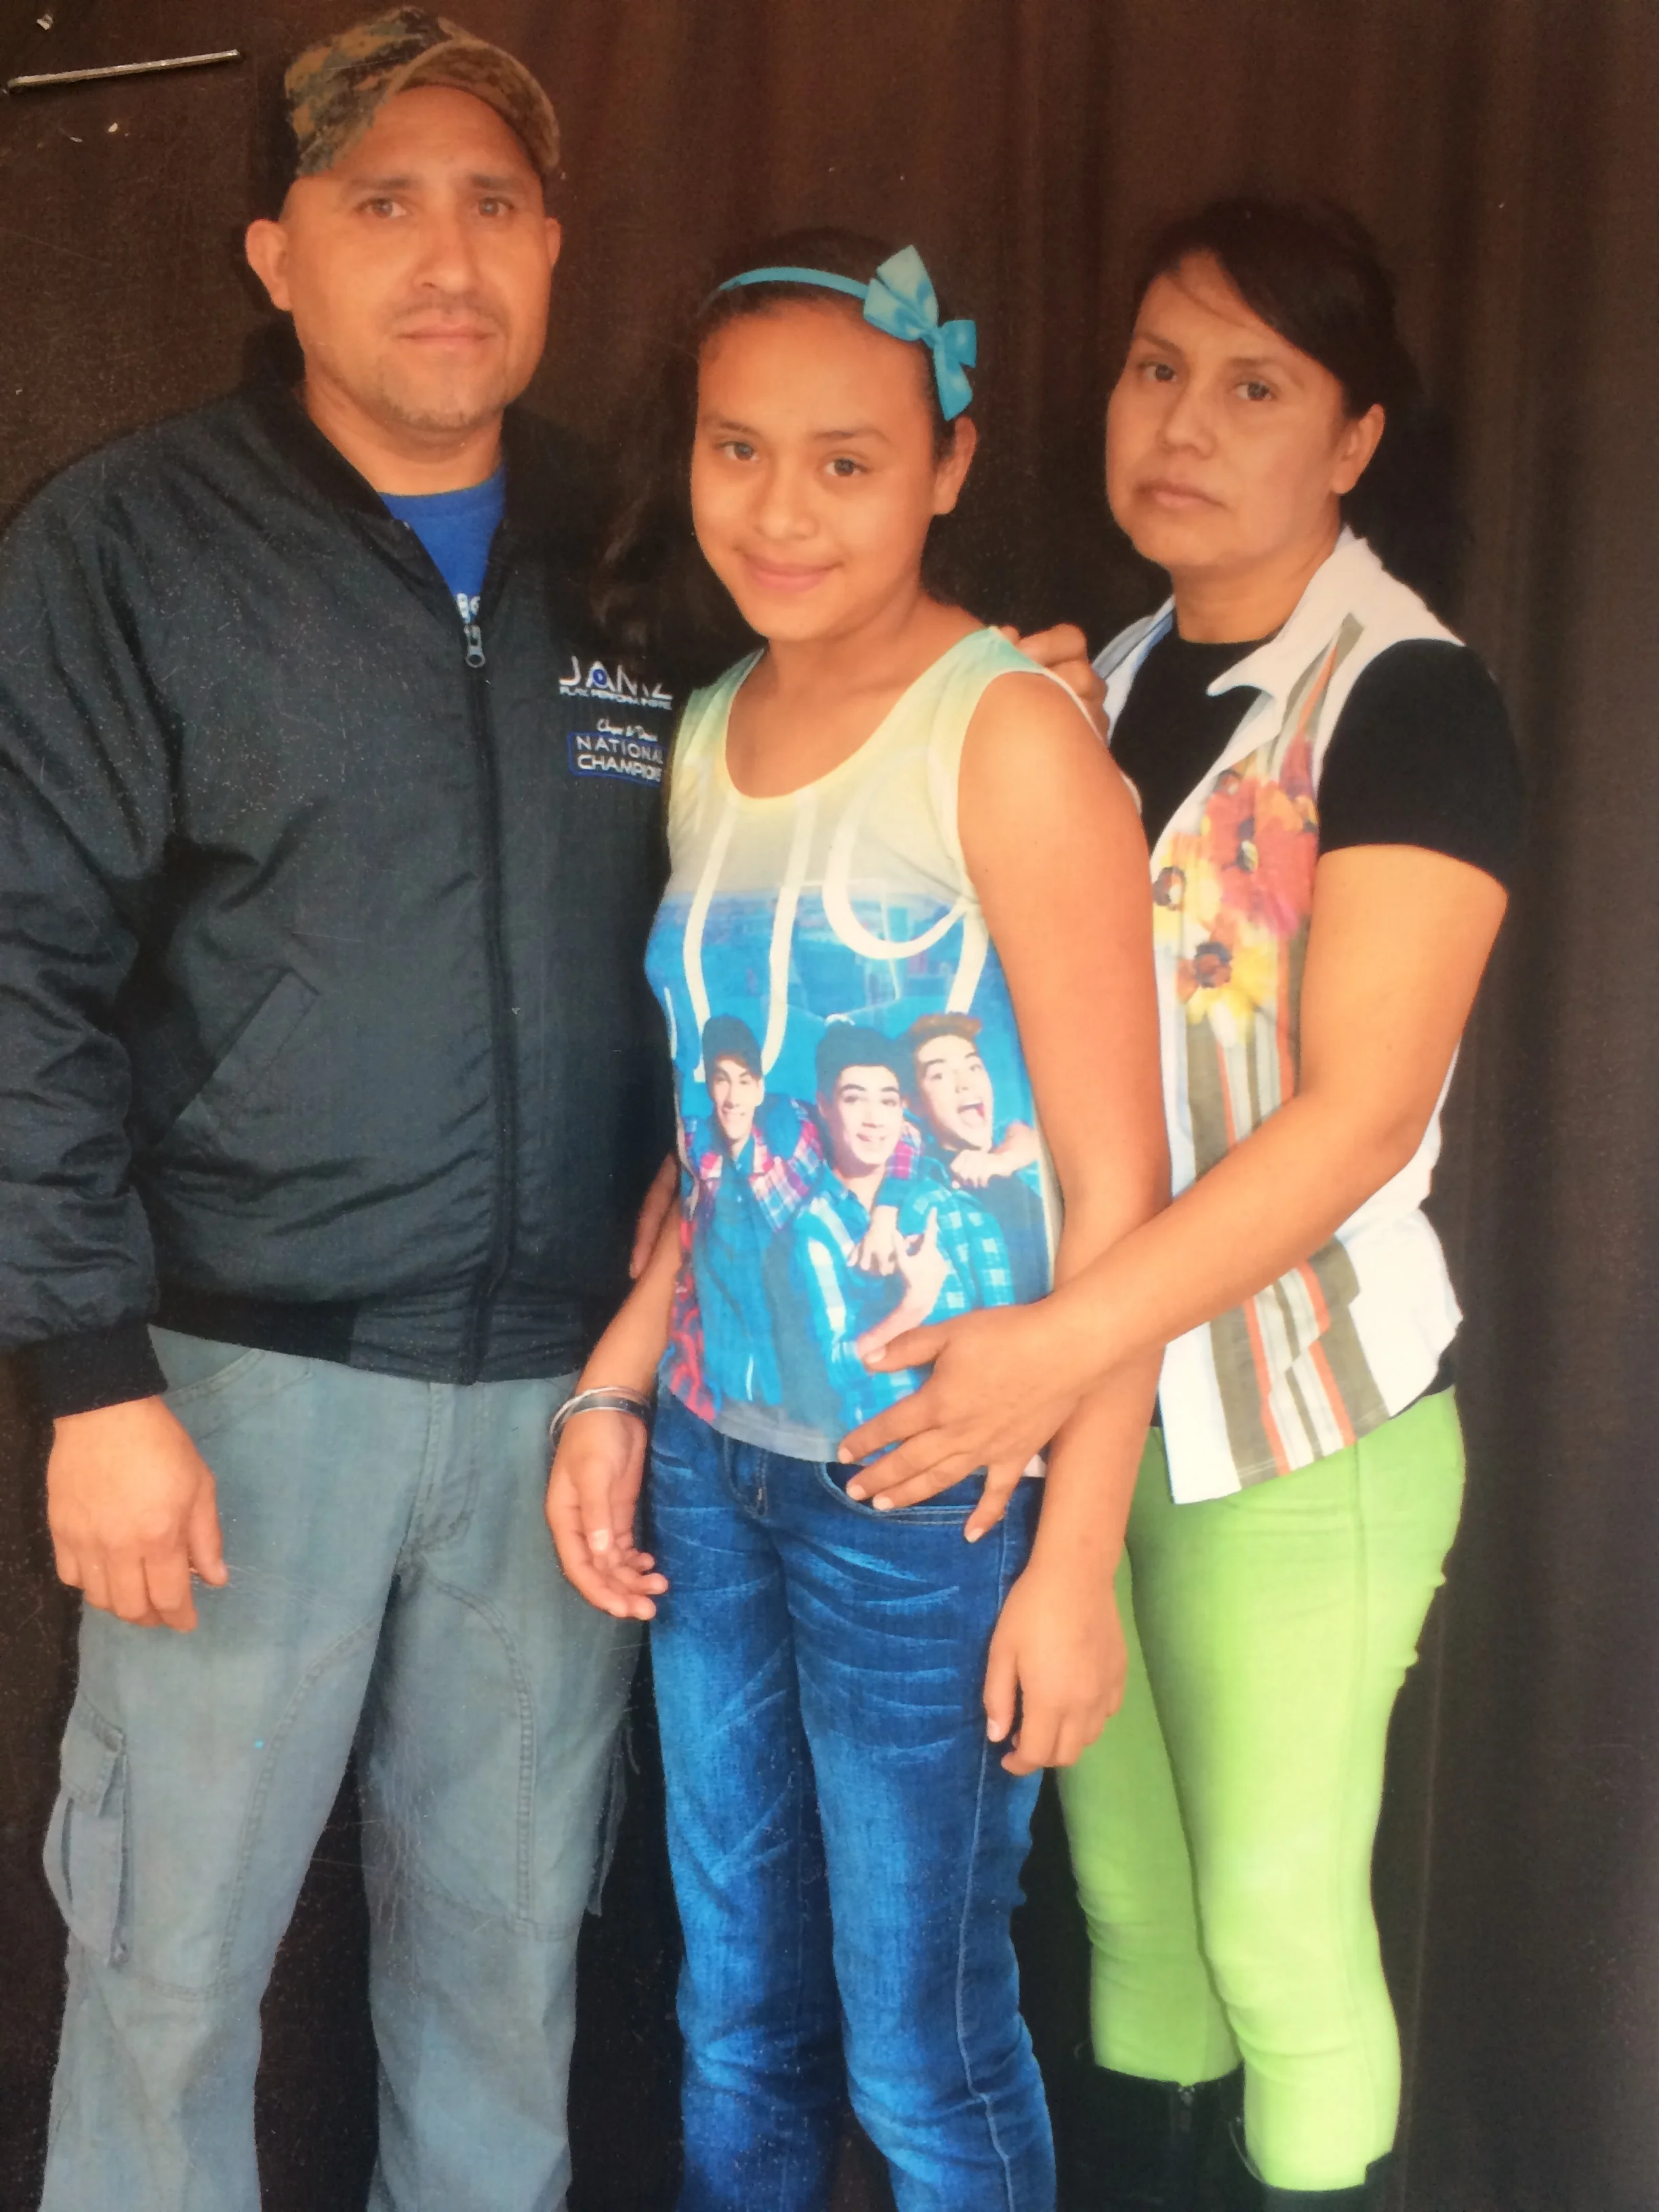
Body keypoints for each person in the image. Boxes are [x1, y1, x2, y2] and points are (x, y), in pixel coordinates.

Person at [0, 16, 675, 2207]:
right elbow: (21, 972)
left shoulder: (651, 547)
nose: (444, 255)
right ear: (275, 253)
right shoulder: (128, 545)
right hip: (234, 1396)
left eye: (492, 203)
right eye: (381, 202)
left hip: (562, 1416)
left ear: (552, 249)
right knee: (169, 1980)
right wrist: (90, 1377)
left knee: (505, 1992)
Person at [837, 199, 1522, 2212]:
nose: (1185, 422)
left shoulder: (1406, 699)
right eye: (1157, 368)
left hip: (1300, 1424)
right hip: (1093, 1420)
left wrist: (1056, 1341)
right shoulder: (1080, 685)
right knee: (1130, 1916)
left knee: (1275, 1927)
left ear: (1353, 437)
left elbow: (1357, 1120)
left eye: (1254, 385)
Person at [546, 230, 1167, 2211]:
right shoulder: (705, 735)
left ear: (947, 463)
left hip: (930, 1497)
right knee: (735, 2012)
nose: (780, 510)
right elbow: (728, 1144)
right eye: (737, 450)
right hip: (714, 1468)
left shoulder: (1007, 734)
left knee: (923, 2043)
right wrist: (615, 1386)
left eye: (845, 460)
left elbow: (1122, 1192)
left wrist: (1074, 1563)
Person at [775, 1023, 1019, 1437]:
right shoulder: (816, 1223)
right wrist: (914, 1306)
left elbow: (1009, 1343)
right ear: (826, 1106)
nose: (874, 1119)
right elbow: (833, 1370)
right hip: (877, 1450)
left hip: (973, 1441)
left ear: (903, 1109)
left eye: (887, 1101)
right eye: (855, 1099)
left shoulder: (945, 1200)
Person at [903, 1011, 1049, 1299]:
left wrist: (1002, 1161)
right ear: (915, 1103)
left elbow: (1022, 1133)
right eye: (940, 1075)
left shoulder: (1013, 1150)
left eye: (973, 1067)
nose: (965, 1083)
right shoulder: (932, 1200)